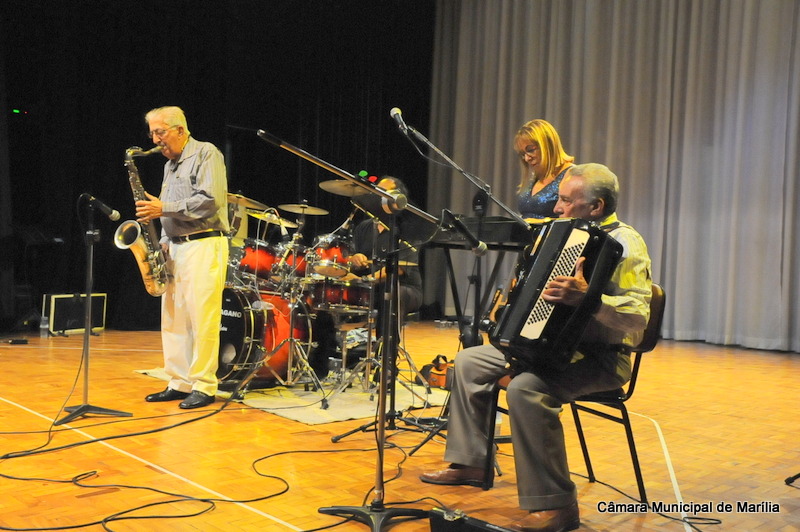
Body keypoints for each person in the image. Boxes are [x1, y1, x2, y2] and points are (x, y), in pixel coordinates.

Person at [420, 163, 652, 532]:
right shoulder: (560, 234)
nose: (557, 207)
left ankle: (558, 505)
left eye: (567, 201)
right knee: (469, 361)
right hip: (545, 348)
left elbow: (638, 318)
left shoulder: (625, 243)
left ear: (596, 206)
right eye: (559, 198)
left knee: (527, 389)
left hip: (601, 358)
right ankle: (471, 462)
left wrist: (589, 300)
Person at [135, 106, 229, 409]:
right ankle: (179, 381)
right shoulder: (169, 166)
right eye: (152, 133)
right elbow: (170, 210)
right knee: (173, 318)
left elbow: (210, 200)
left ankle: (204, 385)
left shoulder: (206, 153)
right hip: (175, 246)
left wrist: (163, 208)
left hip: (203, 244)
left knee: (202, 318)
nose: (155, 140)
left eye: (160, 132)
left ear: (179, 129)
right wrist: (162, 241)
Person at [348, 176, 423, 335]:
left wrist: (365, 280)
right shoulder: (364, 227)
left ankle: (386, 345)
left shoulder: (408, 229)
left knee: (392, 294)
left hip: (404, 288)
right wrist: (355, 258)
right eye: (377, 191)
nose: (378, 195)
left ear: (397, 199)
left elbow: (399, 269)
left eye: (384, 192)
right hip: (368, 286)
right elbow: (350, 256)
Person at [515, 119, 575, 221]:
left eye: (530, 150)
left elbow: (576, 219)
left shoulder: (572, 175)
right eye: (523, 154)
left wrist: (541, 222)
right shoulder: (536, 177)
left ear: (548, 145)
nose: (527, 158)